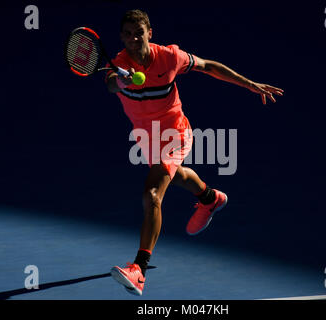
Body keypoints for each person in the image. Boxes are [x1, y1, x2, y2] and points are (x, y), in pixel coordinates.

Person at [108, 9, 284, 296]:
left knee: (152, 193)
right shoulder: (118, 65)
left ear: (149, 33)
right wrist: (122, 81)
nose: (133, 38)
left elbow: (208, 66)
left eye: (138, 32)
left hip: (175, 132)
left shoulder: (169, 57)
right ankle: (210, 198)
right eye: (127, 34)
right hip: (147, 138)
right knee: (174, 176)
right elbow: (110, 84)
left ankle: (139, 270)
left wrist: (248, 83)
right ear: (121, 37)